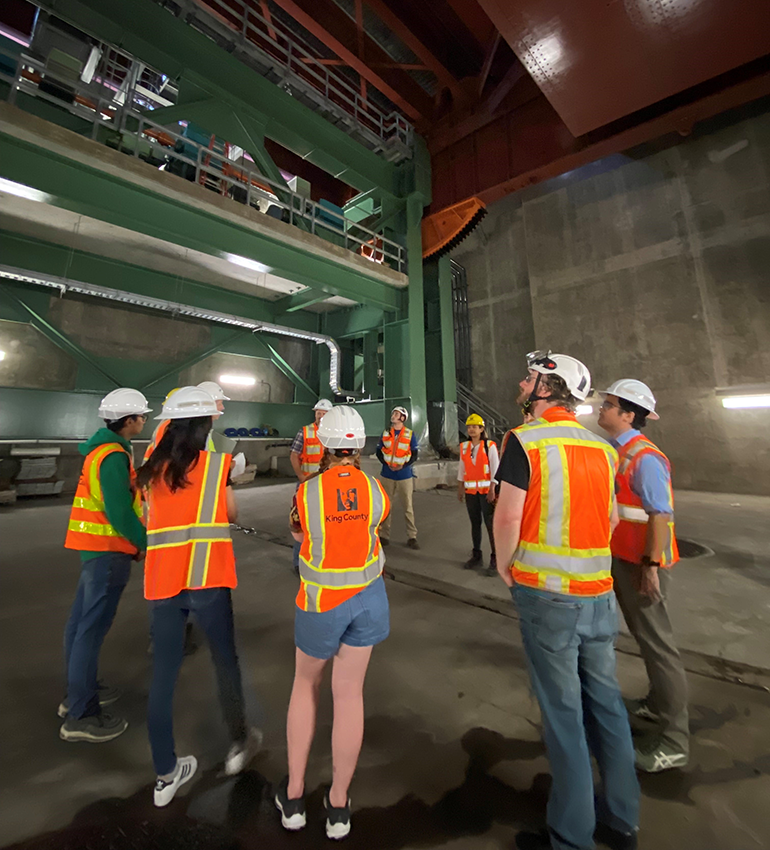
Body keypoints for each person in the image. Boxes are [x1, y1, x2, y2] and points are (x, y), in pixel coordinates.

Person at [493, 351, 639, 850]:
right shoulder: (603, 449)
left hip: (548, 599)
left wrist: (504, 564)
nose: (521, 380)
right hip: (600, 597)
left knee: (563, 717)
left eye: (529, 376)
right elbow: (614, 521)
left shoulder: (525, 441)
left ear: (547, 387)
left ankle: (571, 838)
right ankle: (621, 820)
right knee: (607, 706)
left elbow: (509, 517)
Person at [136, 386, 259, 807]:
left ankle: (166, 773)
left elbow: (148, 516)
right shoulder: (214, 467)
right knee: (225, 661)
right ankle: (240, 743)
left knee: (164, 675)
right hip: (208, 578)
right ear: (206, 426)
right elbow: (231, 515)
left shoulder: (150, 470)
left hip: (164, 585)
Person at [277, 406, 390, 840]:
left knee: (306, 686)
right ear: (359, 445)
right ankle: (339, 806)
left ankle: (293, 797)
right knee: (349, 696)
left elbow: (299, 534)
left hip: (321, 603)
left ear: (323, 443)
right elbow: (375, 526)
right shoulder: (377, 489)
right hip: (368, 602)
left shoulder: (305, 493)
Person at [598, 379, 688, 773]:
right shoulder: (618, 453)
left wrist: (651, 566)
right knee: (645, 638)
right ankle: (656, 705)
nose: (601, 410)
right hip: (626, 559)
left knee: (658, 645)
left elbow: (660, 514)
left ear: (628, 414)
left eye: (608, 405)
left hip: (643, 564)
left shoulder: (644, 457)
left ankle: (674, 740)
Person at [60, 388, 150, 742]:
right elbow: (117, 511)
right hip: (108, 552)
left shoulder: (101, 450)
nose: (143, 421)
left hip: (94, 551)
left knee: (80, 625)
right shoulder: (113, 456)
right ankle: (81, 714)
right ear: (128, 421)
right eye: (141, 416)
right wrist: (144, 542)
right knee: (90, 630)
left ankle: (78, 691)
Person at [290, 399, 333, 573]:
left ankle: (320, 561)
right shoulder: (305, 431)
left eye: (323, 413)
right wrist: (301, 476)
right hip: (306, 485)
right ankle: (298, 564)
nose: (320, 415)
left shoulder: (332, 434)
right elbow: (294, 455)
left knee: (324, 525)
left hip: (325, 486)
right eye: (318, 412)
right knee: (301, 524)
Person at [457, 413, 498, 576]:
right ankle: (477, 555)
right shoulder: (464, 447)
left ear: (482, 429)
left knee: (490, 525)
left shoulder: (490, 446)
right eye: (469, 427)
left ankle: (495, 559)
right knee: (475, 523)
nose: (471, 430)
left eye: (475, 427)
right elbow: (462, 469)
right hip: (471, 492)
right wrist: (460, 488)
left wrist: (492, 489)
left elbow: (496, 469)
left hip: (486, 493)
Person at [376, 406, 419, 549]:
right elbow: (379, 451)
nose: (393, 416)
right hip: (387, 474)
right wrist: (386, 464)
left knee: (408, 507)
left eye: (396, 414)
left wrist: (403, 466)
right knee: (386, 506)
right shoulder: (386, 433)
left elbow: (414, 454)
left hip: (404, 475)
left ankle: (412, 536)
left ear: (402, 418)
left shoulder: (409, 434)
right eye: (393, 413)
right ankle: (384, 535)